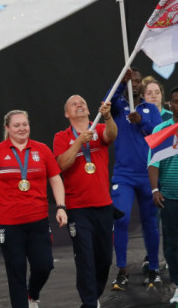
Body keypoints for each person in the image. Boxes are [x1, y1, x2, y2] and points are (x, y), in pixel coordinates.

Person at [0, 110, 68, 308]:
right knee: (16, 271)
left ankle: (32, 294)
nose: (22, 128)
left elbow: (55, 178)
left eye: (25, 124)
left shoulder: (41, 150)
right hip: (8, 223)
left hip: (38, 220)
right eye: (17, 125)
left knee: (44, 265)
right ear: (7, 128)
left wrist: (61, 206)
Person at [53, 95, 117, 308]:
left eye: (82, 102)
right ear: (67, 114)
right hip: (77, 208)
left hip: (104, 205)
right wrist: (79, 142)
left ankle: (93, 297)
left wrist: (107, 117)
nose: (79, 105)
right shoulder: (61, 137)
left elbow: (112, 135)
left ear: (89, 110)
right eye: (73, 104)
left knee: (105, 258)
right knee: (85, 258)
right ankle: (90, 302)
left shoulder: (99, 129)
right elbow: (61, 165)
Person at [107, 69, 162, 291]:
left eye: (138, 81)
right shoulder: (119, 106)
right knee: (120, 219)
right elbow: (106, 102)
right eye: (132, 80)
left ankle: (154, 268)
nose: (135, 84)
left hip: (148, 174)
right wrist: (121, 82)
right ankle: (122, 270)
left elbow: (157, 136)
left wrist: (141, 123)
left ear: (142, 85)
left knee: (150, 222)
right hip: (124, 175)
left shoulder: (150, 109)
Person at [148, 85, 178, 303]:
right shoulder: (161, 129)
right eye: (176, 101)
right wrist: (155, 189)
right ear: (169, 104)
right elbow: (153, 162)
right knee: (171, 243)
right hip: (168, 195)